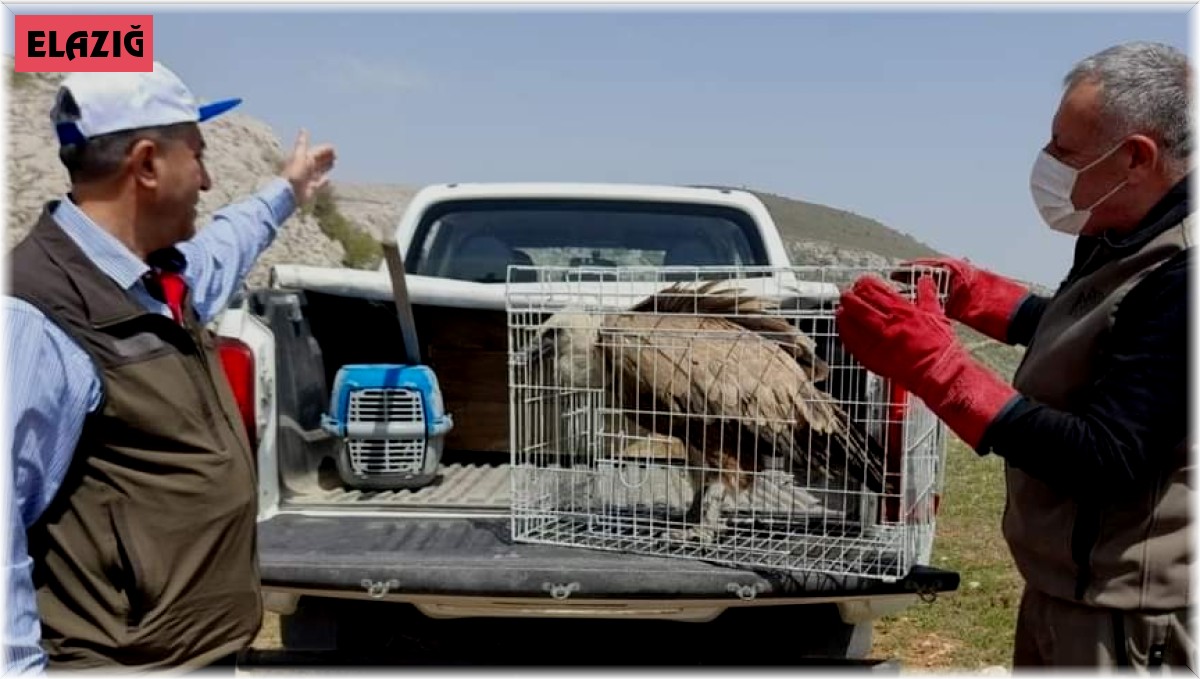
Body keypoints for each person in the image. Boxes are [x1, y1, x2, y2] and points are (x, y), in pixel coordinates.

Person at [835, 41, 1192, 670]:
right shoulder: (1120, 230)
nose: (1048, 165)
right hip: (1068, 589)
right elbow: (1098, 333)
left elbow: (1106, 457)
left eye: (1065, 151)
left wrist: (938, 371)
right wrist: (983, 298)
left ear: (1135, 156)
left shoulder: (1183, 274)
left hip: (1126, 617)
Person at [3, 62, 335, 672]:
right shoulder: (34, 314)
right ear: (149, 164)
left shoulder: (152, 280)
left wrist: (287, 191)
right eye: (199, 156)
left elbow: (224, 246)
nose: (208, 180)